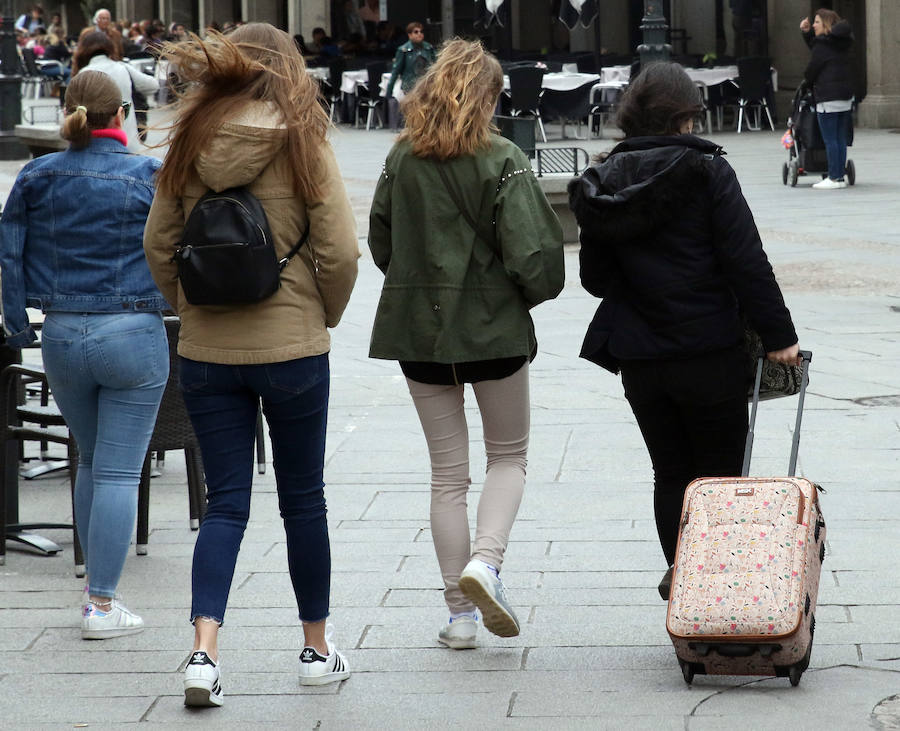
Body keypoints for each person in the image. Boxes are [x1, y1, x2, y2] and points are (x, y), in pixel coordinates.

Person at [142, 23, 359, 707]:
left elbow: (158, 243)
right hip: (294, 346)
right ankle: (317, 649)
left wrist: (190, 305)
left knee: (224, 504)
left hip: (207, 350)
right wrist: (321, 312)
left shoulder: (189, 140)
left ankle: (204, 652)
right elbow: (342, 251)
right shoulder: (303, 140)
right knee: (304, 500)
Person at [568, 62, 800, 601]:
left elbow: (596, 279)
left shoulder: (602, 181)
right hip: (708, 349)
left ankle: (683, 570)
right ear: (684, 114)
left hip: (641, 357)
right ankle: (716, 590)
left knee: (669, 471)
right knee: (720, 475)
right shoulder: (707, 171)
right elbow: (747, 262)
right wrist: (779, 335)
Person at [368, 39, 564, 649]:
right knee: (508, 458)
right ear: (487, 98)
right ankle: (488, 561)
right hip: (493, 329)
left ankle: (459, 615)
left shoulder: (401, 158)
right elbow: (535, 257)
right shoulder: (503, 158)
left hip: (419, 333)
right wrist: (516, 295)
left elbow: (381, 241)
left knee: (446, 476)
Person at [0, 70, 169, 640]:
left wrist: (19, 323)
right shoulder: (149, 173)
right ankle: (100, 602)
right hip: (132, 329)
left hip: (64, 334)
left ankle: (97, 592)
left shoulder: (38, 174)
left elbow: (10, 252)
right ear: (121, 114)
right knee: (120, 469)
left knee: (92, 461)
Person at [72, 31, 158, 152]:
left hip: (95, 147)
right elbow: (153, 85)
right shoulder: (123, 68)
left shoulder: (82, 74)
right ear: (110, 47)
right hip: (128, 144)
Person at [800, 9, 854, 190]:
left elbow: (813, 68)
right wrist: (807, 33)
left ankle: (833, 177)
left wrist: (807, 82)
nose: (813, 25)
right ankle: (839, 177)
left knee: (830, 140)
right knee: (839, 139)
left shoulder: (822, 46)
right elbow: (819, 48)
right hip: (844, 96)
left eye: (816, 22)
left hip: (828, 97)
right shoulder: (841, 42)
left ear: (825, 25)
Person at [385, 21, 434, 98]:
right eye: (416, 32)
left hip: (426, 86)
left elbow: (436, 65)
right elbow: (396, 71)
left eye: (421, 31)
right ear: (410, 35)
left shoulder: (428, 48)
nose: (419, 34)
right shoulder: (403, 50)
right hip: (409, 87)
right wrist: (389, 91)